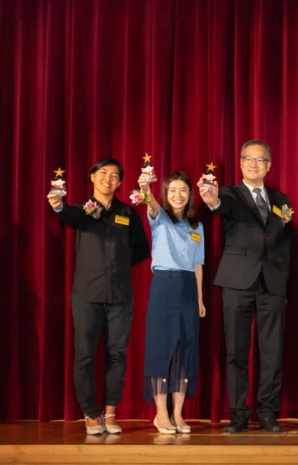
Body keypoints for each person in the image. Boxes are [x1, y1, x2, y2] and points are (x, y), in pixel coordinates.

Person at [48, 158, 151, 435]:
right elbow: (65, 214)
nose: (108, 178)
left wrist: (118, 264)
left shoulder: (128, 213)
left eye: (115, 175)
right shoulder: (82, 210)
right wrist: (57, 205)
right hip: (87, 294)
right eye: (103, 173)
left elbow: (142, 249)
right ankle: (90, 413)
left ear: (120, 183)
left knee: (117, 354)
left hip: (120, 295)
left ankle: (111, 411)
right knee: (85, 355)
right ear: (92, 176)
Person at [198, 140, 293, 433]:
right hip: (237, 281)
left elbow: (285, 244)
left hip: (272, 283)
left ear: (269, 165)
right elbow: (219, 207)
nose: (254, 163)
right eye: (248, 158)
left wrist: (283, 286)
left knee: (272, 351)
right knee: (236, 351)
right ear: (240, 163)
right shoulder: (229, 194)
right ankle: (238, 413)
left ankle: (267, 411)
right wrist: (211, 200)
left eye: (260, 159)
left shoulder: (281, 200)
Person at [138, 171, 205, 435]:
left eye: (183, 190)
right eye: (172, 190)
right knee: (161, 348)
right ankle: (161, 414)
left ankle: (177, 413)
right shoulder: (160, 218)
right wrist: (145, 188)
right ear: (166, 194)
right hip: (164, 285)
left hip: (188, 287)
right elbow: (150, 203)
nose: (178, 195)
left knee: (185, 349)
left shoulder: (196, 226)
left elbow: (198, 265)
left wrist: (200, 298)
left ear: (190, 195)